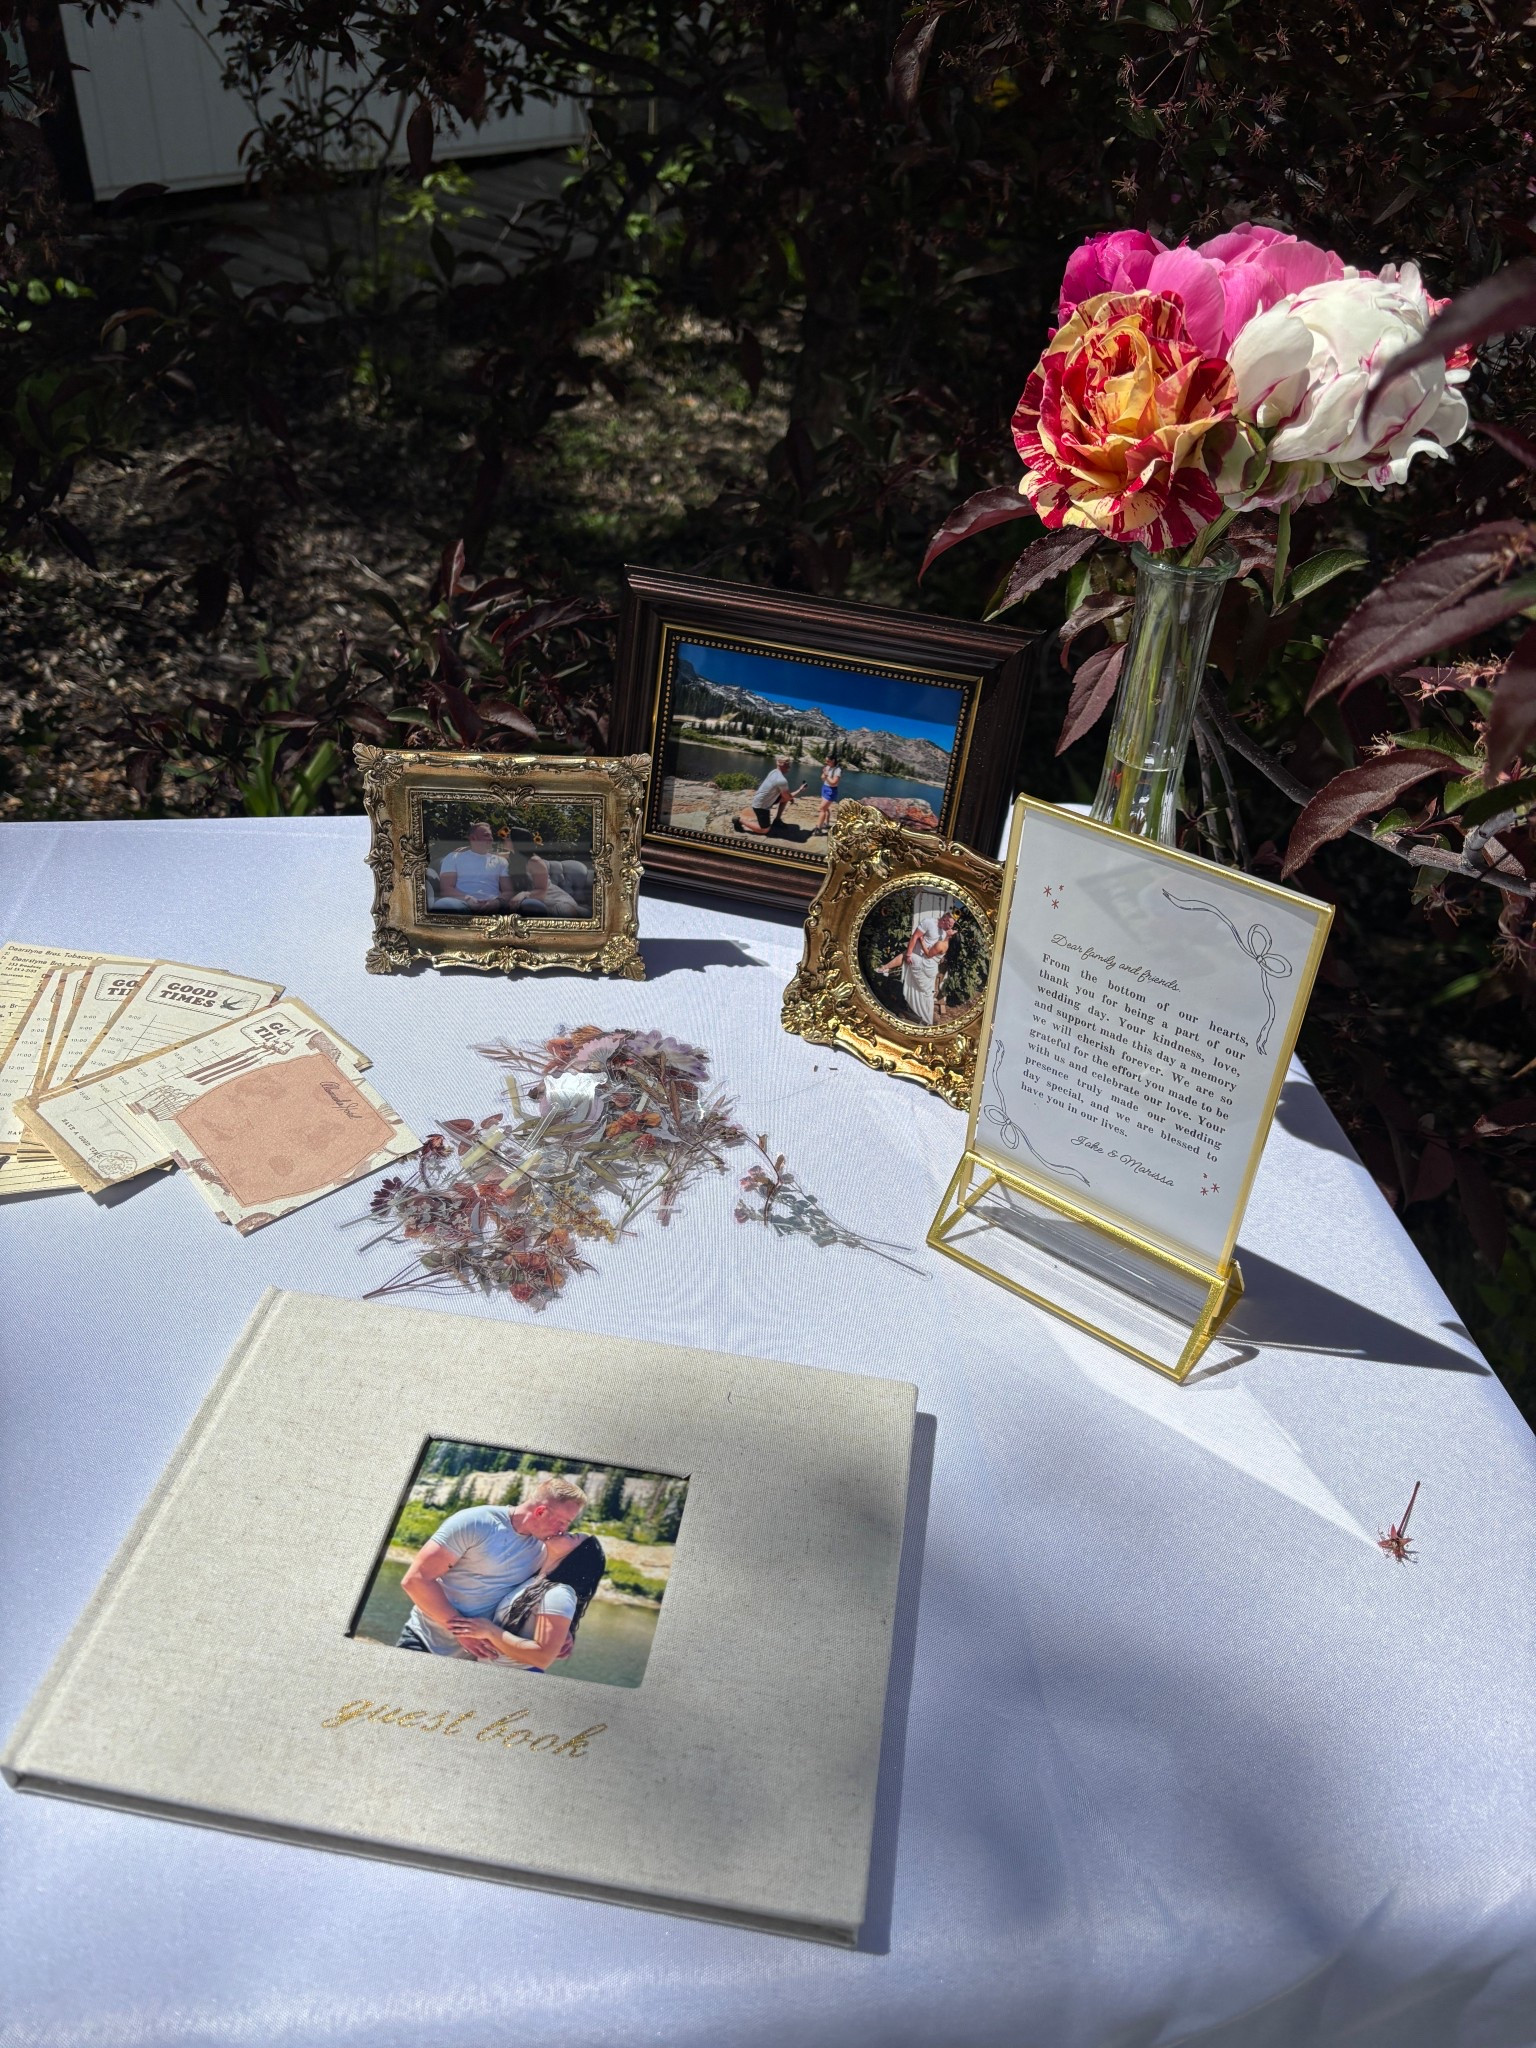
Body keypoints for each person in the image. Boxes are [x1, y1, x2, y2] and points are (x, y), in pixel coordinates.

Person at [395, 1474, 587, 1658]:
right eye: (563, 1522)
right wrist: (461, 1632)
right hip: (425, 1643)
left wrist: (561, 1630)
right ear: (540, 1512)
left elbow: (539, 1594)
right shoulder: (475, 1522)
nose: (564, 1530)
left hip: (480, 1660)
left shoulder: (547, 1547)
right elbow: (415, 1580)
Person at [446, 1533, 607, 1671]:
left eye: (572, 1536)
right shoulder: (535, 1581)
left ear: (578, 1555)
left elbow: (542, 1658)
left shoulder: (559, 1593)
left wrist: (490, 1631)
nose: (564, 1532)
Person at [877, 907, 955, 1026]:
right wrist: (910, 953)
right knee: (923, 990)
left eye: (951, 926)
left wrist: (918, 947)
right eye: (949, 924)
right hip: (925, 961)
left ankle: (885, 968)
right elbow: (914, 937)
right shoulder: (929, 922)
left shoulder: (943, 934)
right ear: (944, 919)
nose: (949, 928)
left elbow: (930, 953)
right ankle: (922, 1013)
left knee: (922, 989)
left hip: (925, 962)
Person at [436, 820, 507, 911]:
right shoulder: (454, 857)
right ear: (473, 838)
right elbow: (446, 888)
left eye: (491, 835)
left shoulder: (500, 861)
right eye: (486, 835)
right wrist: (468, 899)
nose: (491, 839)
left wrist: (497, 903)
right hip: (462, 903)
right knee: (443, 904)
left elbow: (508, 891)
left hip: (494, 906)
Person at [735, 755, 806, 836]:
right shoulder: (781, 780)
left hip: (764, 799)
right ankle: (740, 821)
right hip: (761, 806)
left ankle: (777, 820)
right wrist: (800, 790)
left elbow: (784, 795)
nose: (789, 766)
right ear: (783, 765)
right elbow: (788, 796)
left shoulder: (774, 772)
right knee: (764, 830)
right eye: (788, 764)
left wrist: (789, 798)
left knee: (786, 798)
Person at [502, 852, 581, 917]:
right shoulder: (513, 857)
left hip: (554, 898)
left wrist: (523, 894)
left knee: (564, 912)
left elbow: (542, 890)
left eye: (509, 837)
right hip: (538, 903)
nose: (505, 838)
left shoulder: (534, 861)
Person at [815, 755, 843, 833]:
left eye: (828, 761)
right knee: (826, 808)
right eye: (826, 761)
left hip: (831, 790)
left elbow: (834, 783)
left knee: (822, 809)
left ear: (833, 760)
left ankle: (818, 828)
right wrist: (824, 774)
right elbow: (822, 778)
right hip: (825, 788)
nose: (826, 763)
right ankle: (826, 824)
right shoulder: (827, 767)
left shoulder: (838, 770)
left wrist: (826, 775)